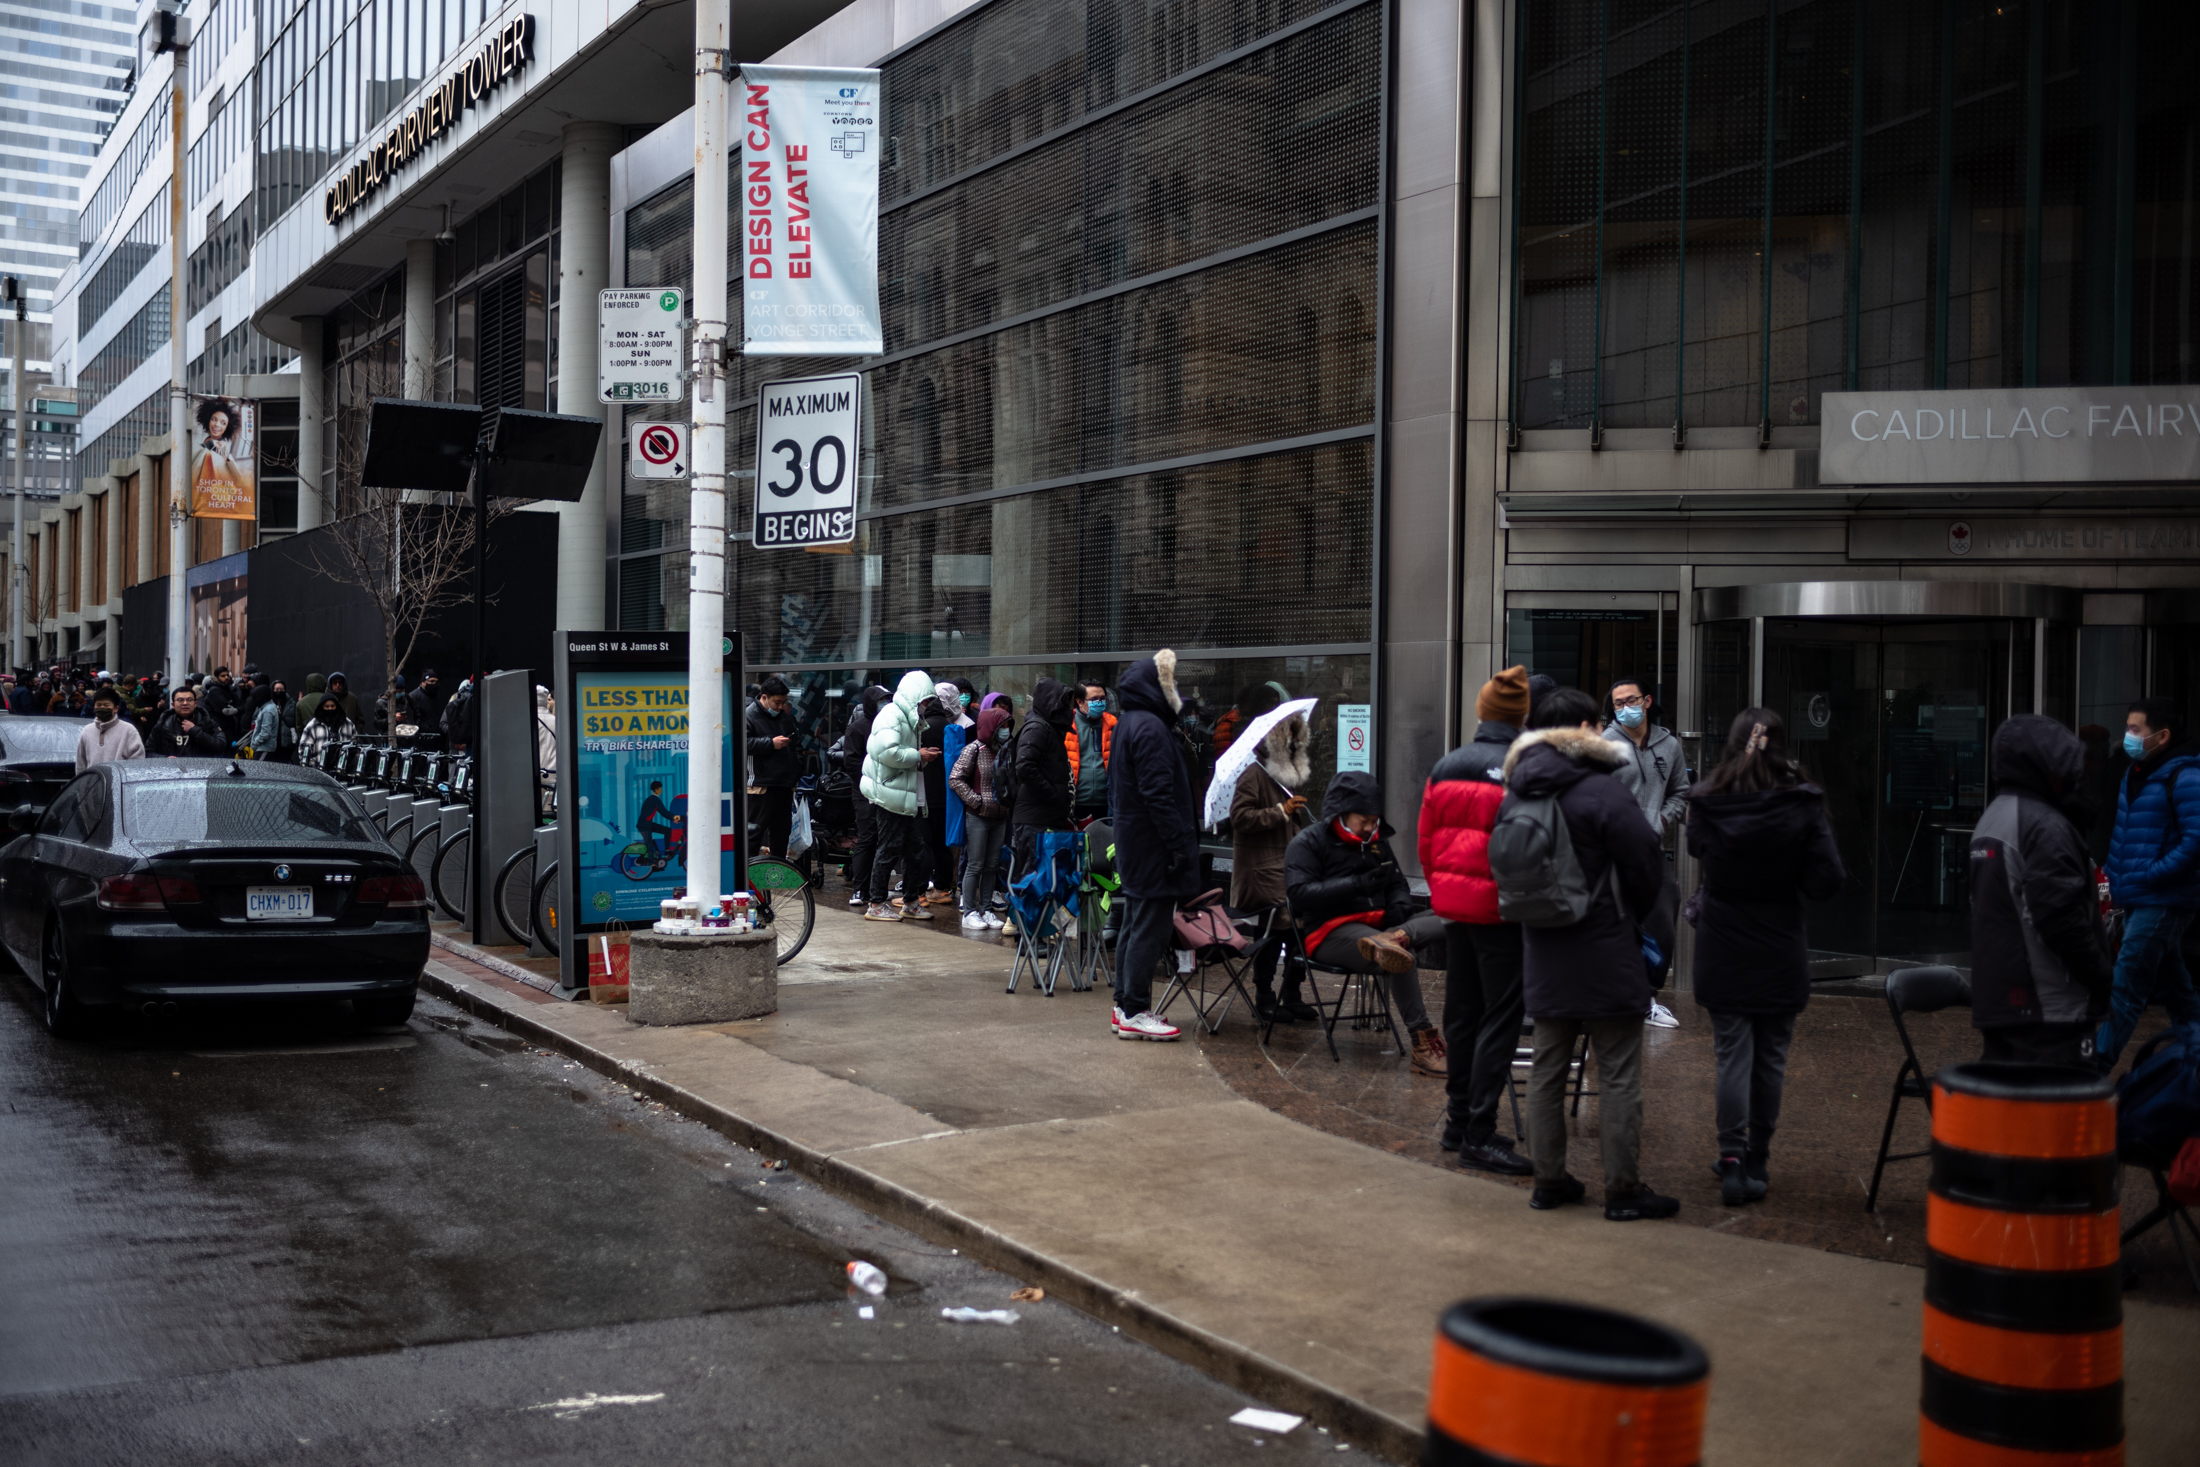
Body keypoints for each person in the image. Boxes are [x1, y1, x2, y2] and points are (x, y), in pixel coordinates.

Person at [1507, 686, 1674, 1220]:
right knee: (1620, 1073)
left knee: (1548, 1072)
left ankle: (1548, 1181)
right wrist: (1628, 916)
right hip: (1606, 949)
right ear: (1583, 728)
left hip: (1545, 952)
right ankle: (1623, 1191)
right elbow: (1647, 867)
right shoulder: (1603, 793)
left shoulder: (1519, 793)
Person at [1687, 709, 1847, 1204]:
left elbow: (1697, 849)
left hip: (1724, 940)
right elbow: (1828, 879)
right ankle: (1757, 1158)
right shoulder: (1802, 803)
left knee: (1731, 1055)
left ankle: (1730, 1160)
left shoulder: (1709, 800)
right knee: (1771, 1058)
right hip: (1779, 941)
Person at [1418, 665, 1534, 1175]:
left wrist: (1444, 889)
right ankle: (1479, 1133)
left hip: (1454, 908)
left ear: (1482, 712)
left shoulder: (1447, 764)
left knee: (1462, 1013)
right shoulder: (1521, 767)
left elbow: (1425, 842)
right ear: (1520, 716)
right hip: (1501, 911)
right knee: (1500, 1017)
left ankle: (1458, 1120)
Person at [1284, 771, 1447, 1074]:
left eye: (1375, 820)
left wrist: (1399, 906)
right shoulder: (1308, 842)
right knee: (1403, 960)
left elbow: (1397, 883)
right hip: (1331, 932)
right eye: (1366, 820)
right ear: (1342, 812)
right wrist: (1355, 885)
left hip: (1382, 927)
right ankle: (1423, 1045)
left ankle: (1396, 936)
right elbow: (1298, 895)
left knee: (1455, 915)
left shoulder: (1376, 840)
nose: (1372, 827)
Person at [2098, 696, 2200, 1070]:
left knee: (2126, 983)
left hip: (2164, 899)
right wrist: (2111, 878)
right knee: (2177, 989)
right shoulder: (2136, 772)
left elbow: (2196, 842)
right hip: (2140, 895)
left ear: (2162, 736)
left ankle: (2092, 1067)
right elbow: (2124, 834)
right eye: (2127, 728)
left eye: (2135, 729)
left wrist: (2150, 875)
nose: (2127, 736)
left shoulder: (2186, 775)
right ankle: (2196, 1047)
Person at [1105, 651, 1193, 1042]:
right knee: (1148, 929)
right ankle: (1134, 1009)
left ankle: (1125, 1005)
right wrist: (1176, 844)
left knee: (1133, 925)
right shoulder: (1151, 728)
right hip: (1153, 846)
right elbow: (1159, 794)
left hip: (1135, 842)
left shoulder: (1129, 723)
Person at [1603, 676, 1688, 1029]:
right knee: (1618, 921)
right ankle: (1618, 996)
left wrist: (1661, 820)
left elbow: (1681, 791)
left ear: (1647, 701)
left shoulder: (1669, 745)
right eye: (1618, 704)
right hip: (1612, 850)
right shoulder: (1605, 744)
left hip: (1650, 848)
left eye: (1631, 701)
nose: (1625, 709)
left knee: (1663, 918)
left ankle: (1646, 994)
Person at [1229, 703, 1316, 1023]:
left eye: (1297, 736)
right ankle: (1264, 995)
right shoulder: (1254, 774)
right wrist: (1281, 812)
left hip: (1289, 870)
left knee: (1299, 932)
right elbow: (1239, 818)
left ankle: (1291, 992)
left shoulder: (1284, 778)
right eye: (1288, 736)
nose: (1294, 742)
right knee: (1273, 932)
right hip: (1261, 873)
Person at [861, 669, 938, 922]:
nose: (926, 706)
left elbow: (899, 753)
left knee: (916, 849)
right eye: (924, 701)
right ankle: (875, 903)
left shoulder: (910, 717)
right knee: (889, 848)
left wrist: (920, 755)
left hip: (908, 794)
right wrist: (919, 755)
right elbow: (889, 753)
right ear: (914, 697)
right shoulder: (892, 715)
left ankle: (911, 900)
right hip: (891, 794)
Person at [1008, 678, 1078, 925]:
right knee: (1032, 879)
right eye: (1062, 703)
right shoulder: (1038, 728)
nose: (1067, 709)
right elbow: (1025, 766)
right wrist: (1053, 795)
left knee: (1042, 878)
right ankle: (1028, 933)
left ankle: (1033, 930)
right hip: (1034, 819)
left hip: (1044, 818)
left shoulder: (1047, 727)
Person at [949, 705, 1012, 929]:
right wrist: (977, 801)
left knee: (992, 865)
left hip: (1000, 816)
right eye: (1002, 726)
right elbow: (955, 778)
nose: (1006, 731)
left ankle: (986, 910)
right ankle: (969, 912)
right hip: (978, 816)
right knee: (975, 864)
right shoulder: (974, 749)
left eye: (1008, 726)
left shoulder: (1007, 750)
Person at [843, 684, 889, 907]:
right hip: (864, 791)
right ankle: (860, 889)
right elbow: (850, 761)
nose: (884, 704)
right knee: (868, 837)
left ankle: (876, 886)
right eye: (881, 700)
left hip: (888, 790)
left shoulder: (889, 725)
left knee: (884, 838)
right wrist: (868, 780)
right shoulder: (858, 728)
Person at [744, 675, 800, 858]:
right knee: (754, 834)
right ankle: (749, 875)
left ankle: (777, 873)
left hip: (784, 784)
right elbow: (744, 744)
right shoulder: (749, 716)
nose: (780, 706)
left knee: (781, 834)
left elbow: (795, 746)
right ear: (764, 697)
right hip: (761, 785)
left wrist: (795, 775)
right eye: (777, 702)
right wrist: (770, 743)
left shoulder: (785, 718)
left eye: (783, 702)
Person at [1067, 681, 1116, 823]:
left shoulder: (1112, 725)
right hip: (1076, 803)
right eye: (1094, 699)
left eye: (1102, 699)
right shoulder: (1066, 724)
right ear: (1079, 701)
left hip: (1106, 803)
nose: (1100, 703)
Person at [150, 685, 231, 758]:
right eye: (180, 700)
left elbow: (221, 747)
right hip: (172, 771)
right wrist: (165, 759)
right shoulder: (163, 725)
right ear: (173, 705)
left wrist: (195, 731)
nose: (185, 703)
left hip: (201, 770)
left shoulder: (208, 722)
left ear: (195, 704)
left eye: (189, 700)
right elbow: (149, 752)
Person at [75, 687, 145, 770]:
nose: (102, 708)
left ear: (116, 708)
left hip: (119, 782)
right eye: (99, 705)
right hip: (93, 782)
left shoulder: (129, 730)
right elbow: (81, 763)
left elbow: (137, 762)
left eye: (106, 705)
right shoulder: (86, 731)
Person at [298, 693, 355, 766]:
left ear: (337, 707)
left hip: (343, 770)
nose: (330, 709)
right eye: (327, 706)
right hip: (319, 771)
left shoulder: (348, 724)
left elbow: (355, 747)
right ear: (321, 707)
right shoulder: (312, 726)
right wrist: (315, 765)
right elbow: (303, 751)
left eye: (332, 706)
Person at [247, 685, 296, 762]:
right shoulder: (266, 708)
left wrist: (255, 743)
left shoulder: (267, 710)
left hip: (264, 748)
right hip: (264, 748)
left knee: (259, 770)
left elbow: (265, 733)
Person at [636, 780, 677, 862]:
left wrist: (673, 818)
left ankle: (666, 852)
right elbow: (663, 812)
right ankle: (653, 864)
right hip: (644, 825)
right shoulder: (654, 799)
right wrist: (674, 817)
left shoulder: (651, 799)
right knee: (649, 846)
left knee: (668, 831)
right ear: (656, 789)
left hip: (647, 824)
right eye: (660, 788)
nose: (661, 790)